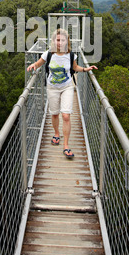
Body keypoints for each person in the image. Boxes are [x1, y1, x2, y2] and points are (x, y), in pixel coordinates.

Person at [27, 28, 97, 159]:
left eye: (63, 40)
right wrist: (33, 66)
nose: (60, 42)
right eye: (58, 40)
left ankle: (66, 145)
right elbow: (38, 63)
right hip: (52, 88)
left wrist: (86, 69)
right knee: (54, 114)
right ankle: (56, 133)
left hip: (67, 87)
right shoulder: (48, 54)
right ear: (54, 41)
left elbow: (75, 68)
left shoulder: (71, 55)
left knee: (66, 115)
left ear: (67, 41)